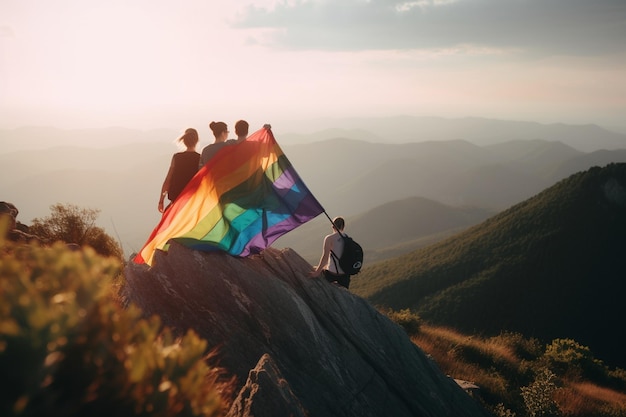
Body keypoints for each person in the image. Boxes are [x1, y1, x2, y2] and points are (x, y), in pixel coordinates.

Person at [158, 128, 200, 213]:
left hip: (176, 200)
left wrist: (161, 200)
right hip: (192, 200)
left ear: (184, 141)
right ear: (197, 141)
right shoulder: (200, 158)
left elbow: (168, 180)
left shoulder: (177, 157)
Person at [310, 216, 351, 289]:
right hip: (345, 275)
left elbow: (325, 257)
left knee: (313, 268)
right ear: (343, 226)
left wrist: (317, 273)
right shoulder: (347, 238)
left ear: (332, 226)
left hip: (332, 274)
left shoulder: (329, 238)